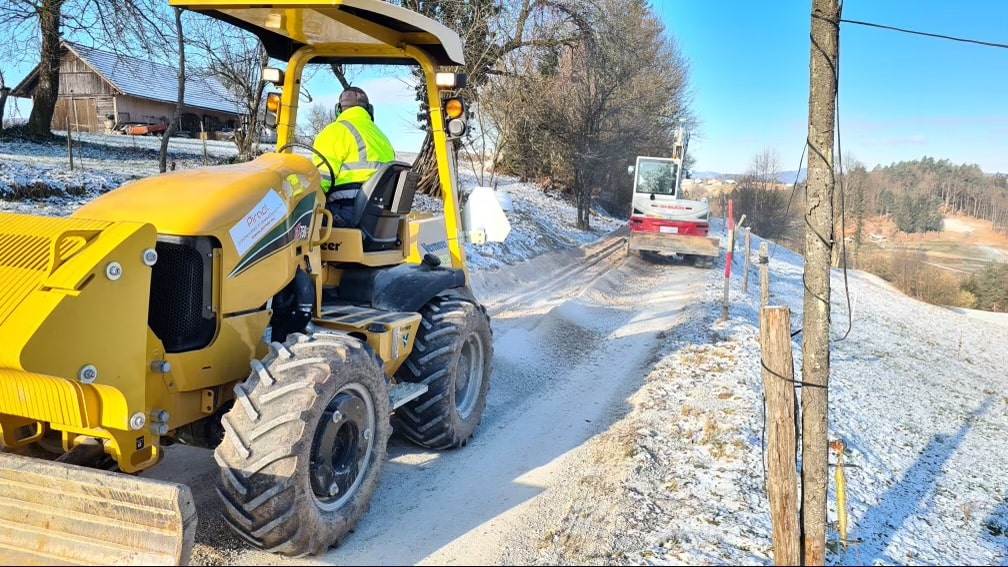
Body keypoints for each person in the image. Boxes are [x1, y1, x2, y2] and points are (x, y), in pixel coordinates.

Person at [312, 86, 395, 226]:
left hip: (348, 212)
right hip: (380, 219)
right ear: (369, 110)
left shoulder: (335, 132)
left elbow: (320, 181)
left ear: (338, 109)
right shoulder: (382, 137)